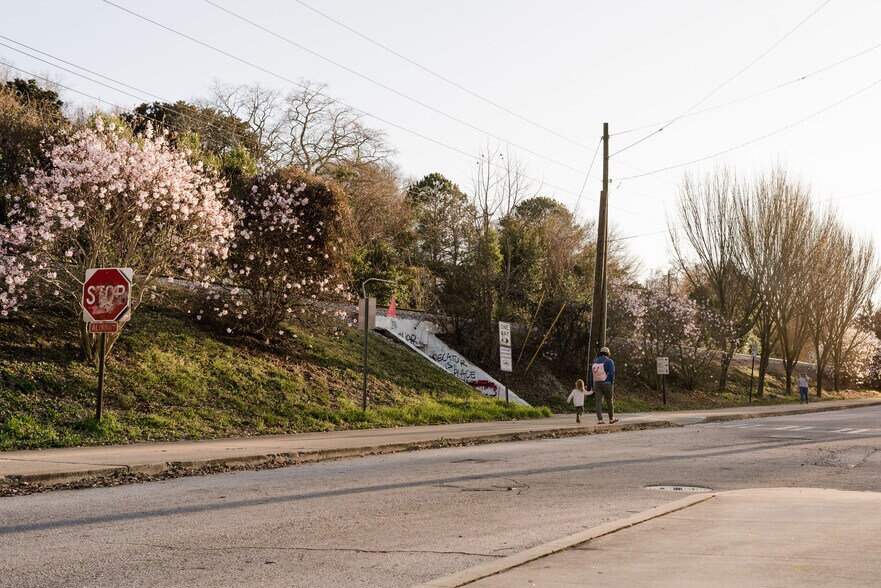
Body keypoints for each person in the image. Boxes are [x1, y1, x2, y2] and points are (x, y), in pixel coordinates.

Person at [588, 346, 617, 424]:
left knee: (598, 402)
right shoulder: (609, 361)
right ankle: (611, 419)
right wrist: (611, 382)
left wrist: (592, 385)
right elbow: (612, 373)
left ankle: (600, 420)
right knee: (609, 401)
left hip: (597, 384)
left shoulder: (595, 362)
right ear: (608, 353)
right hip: (607, 384)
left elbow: (591, 374)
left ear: (600, 353)